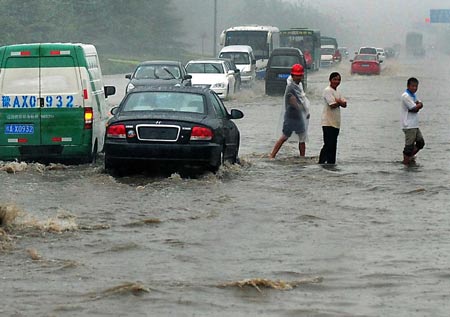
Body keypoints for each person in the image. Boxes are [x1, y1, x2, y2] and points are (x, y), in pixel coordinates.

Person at [269, 64, 307, 158]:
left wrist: (306, 111)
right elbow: (293, 101)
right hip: (291, 117)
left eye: (300, 75)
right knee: (284, 137)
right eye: (296, 75)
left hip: (299, 117)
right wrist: (301, 109)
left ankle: (302, 157)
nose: (298, 77)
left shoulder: (299, 86)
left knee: (302, 138)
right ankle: (272, 155)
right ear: (292, 76)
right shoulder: (291, 88)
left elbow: (302, 100)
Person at [319, 72, 347, 164]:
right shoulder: (328, 90)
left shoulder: (338, 92)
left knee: (333, 145)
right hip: (327, 122)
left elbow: (345, 104)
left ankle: (331, 164)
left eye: (338, 79)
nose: (337, 81)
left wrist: (338, 101)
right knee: (328, 145)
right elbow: (333, 105)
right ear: (330, 80)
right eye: (335, 79)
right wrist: (339, 102)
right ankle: (321, 163)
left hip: (336, 123)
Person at [401, 77, 424, 165]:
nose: (414, 88)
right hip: (408, 125)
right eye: (412, 86)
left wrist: (418, 105)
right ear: (408, 86)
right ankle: (405, 163)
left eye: (416, 86)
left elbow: (419, 104)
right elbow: (414, 108)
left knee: (420, 143)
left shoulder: (413, 95)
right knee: (409, 147)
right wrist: (418, 106)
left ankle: (408, 158)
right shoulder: (405, 96)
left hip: (415, 124)